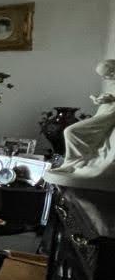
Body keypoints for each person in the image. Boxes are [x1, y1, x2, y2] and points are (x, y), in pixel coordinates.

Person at [46, 59, 115, 190]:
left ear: (113, 72)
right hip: (102, 113)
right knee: (71, 131)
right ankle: (72, 162)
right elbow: (108, 97)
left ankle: (74, 162)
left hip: (108, 116)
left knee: (71, 131)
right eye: (103, 76)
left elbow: (111, 98)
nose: (105, 78)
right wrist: (99, 100)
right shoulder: (112, 83)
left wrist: (111, 98)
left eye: (106, 75)